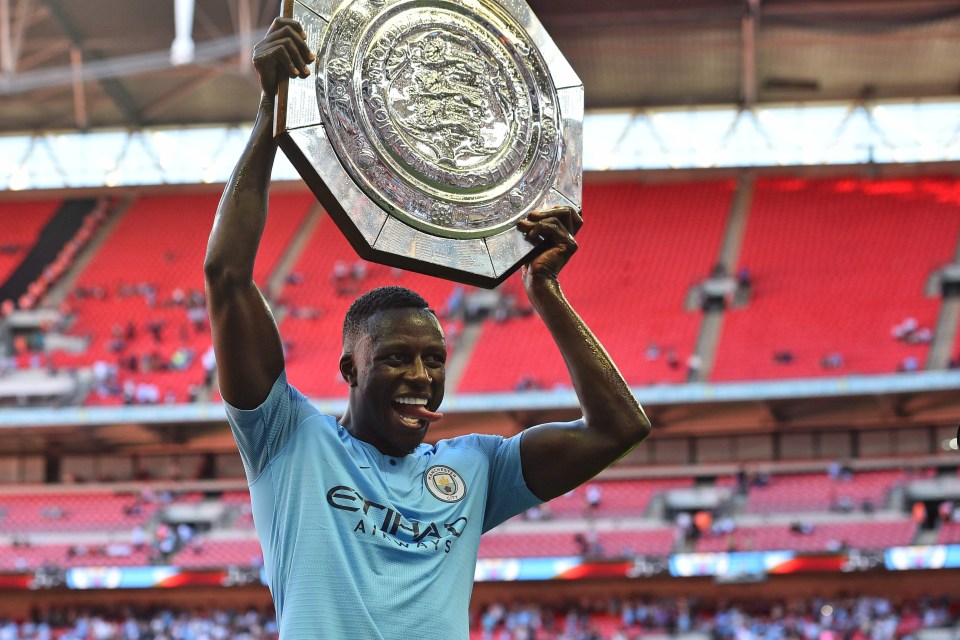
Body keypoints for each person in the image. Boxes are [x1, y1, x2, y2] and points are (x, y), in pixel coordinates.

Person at [204, 18, 651, 640]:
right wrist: (269, 118)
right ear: (349, 369)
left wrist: (544, 291)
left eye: (434, 360)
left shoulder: (477, 469)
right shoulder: (287, 439)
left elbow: (620, 428)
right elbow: (226, 276)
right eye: (395, 359)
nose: (421, 375)